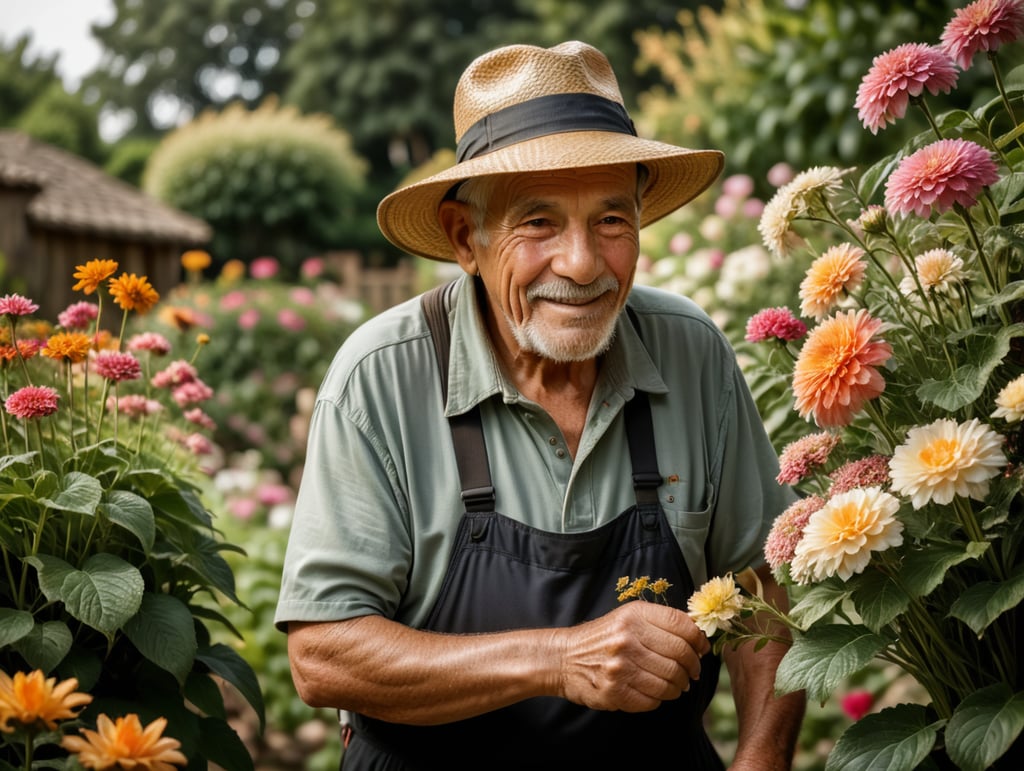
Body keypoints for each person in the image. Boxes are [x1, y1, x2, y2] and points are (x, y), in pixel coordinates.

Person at [275, 40, 805, 770]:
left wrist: (761, 756)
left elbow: (766, 580)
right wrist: (558, 658)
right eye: (539, 223)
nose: (583, 264)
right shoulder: (382, 376)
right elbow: (323, 657)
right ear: (467, 237)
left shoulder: (690, 351)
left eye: (612, 220)